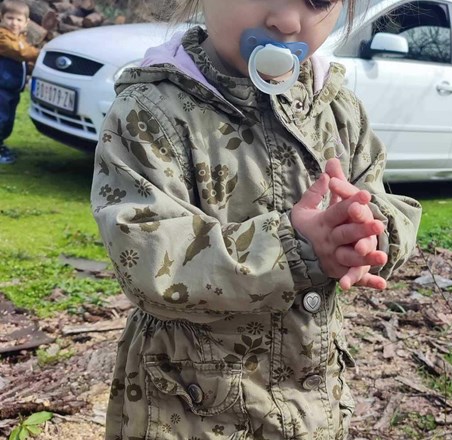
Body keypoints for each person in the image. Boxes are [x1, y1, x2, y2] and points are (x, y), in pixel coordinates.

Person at [91, 0, 421, 438]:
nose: (286, 21)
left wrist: (366, 232)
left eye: (318, 1)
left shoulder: (338, 111)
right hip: (187, 409)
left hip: (311, 405)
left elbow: (380, 197)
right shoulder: (151, 114)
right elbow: (149, 258)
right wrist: (294, 247)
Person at [0, 0, 39, 165]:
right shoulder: (3, 37)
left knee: (8, 118)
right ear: (1, 18)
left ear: (26, 22)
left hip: (12, 88)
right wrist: (39, 54)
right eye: (9, 18)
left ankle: (1, 144)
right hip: (2, 86)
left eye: (18, 20)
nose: (13, 23)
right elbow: (19, 51)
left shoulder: (19, 38)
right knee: (1, 118)